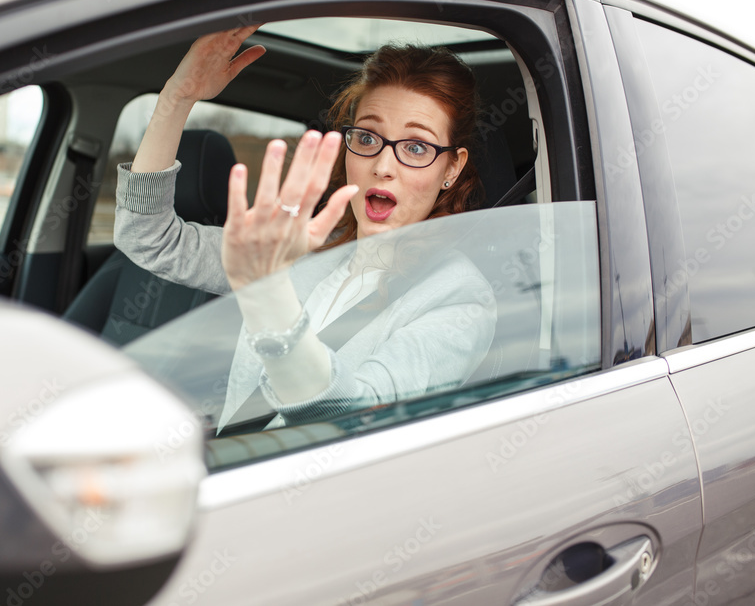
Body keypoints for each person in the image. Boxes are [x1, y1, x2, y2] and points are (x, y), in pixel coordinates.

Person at [114, 25, 496, 433]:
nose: (383, 166)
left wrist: (269, 296)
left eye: (416, 148)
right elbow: (149, 239)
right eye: (367, 138)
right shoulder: (305, 245)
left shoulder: (460, 299)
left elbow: (355, 422)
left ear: (451, 168)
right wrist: (176, 98)